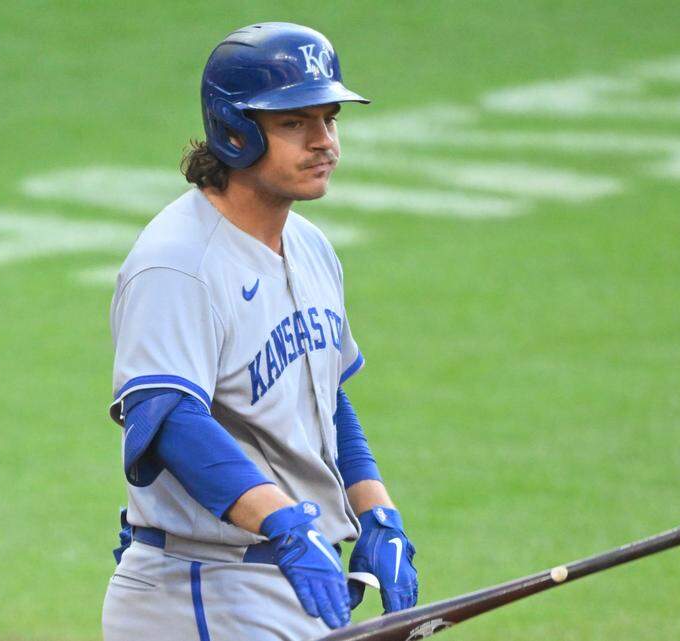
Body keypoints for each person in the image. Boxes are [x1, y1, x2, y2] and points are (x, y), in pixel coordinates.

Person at [101, 22, 418, 641]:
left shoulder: (310, 245)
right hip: (204, 590)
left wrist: (375, 509)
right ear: (236, 132)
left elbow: (321, 400)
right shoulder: (179, 262)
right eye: (295, 124)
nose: (324, 142)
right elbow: (168, 423)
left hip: (290, 582)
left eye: (330, 120)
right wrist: (287, 524)